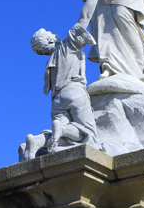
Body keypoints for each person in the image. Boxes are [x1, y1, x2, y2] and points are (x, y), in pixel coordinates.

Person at [29, 24, 98, 154]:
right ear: (49, 40)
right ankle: (62, 129)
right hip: (74, 92)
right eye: (51, 33)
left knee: (62, 139)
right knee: (89, 134)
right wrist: (91, 3)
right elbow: (83, 20)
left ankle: (37, 141)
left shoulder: (50, 63)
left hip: (57, 100)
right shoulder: (66, 48)